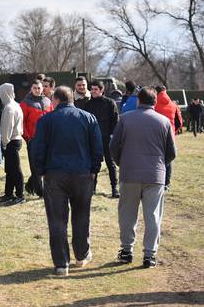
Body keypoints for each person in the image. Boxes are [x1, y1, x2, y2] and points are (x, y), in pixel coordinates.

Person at [31, 86, 103, 276]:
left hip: (55, 174)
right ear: (71, 99)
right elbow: (97, 147)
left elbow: (38, 148)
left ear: (55, 100)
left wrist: (39, 171)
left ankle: (62, 263)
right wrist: (94, 169)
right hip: (82, 173)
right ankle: (81, 254)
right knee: (81, 216)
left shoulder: (46, 120)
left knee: (57, 220)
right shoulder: (88, 118)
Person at [110, 87, 176, 268]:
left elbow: (113, 145)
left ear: (138, 100)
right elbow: (171, 152)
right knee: (153, 216)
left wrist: (121, 162)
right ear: (154, 102)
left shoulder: (125, 119)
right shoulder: (164, 122)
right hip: (155, 175)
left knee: (127, 214)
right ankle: (150, 254)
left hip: (129, 173)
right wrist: (160, 165)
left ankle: (126, 251)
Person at [83, 80, 120, 198]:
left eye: (96, 89)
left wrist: (113, 135)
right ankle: (92, 187)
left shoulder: (110, 103)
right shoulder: (88, 105)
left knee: (111, 163)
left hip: (107, 138)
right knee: (93, 164)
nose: (93, 92)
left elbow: (115, 120)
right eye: (92, 89)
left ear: (101, 90)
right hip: (93, 139)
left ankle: (114, 188)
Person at [20, 79, 52, 196]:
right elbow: (21, 122)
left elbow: (52, 118)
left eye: (39, 88)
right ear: (31, 89)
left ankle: (30, 186)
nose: (37, 90)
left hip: (47, 140)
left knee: (46, 165)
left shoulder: (48, 101)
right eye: (35, 88)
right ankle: (40, 192)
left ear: (42, 88)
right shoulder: (25, 103)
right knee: (35, 166)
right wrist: (28, 137)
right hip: (33, 140)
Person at [0, 83, 25, 205]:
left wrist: (4, 143)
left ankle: (20, 195)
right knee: (10, 169)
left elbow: (6, 128)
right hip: (15, 139)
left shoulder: (9, 108)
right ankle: (9, 193)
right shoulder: (15, 105)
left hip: (11, 141)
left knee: (15, 169)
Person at [154, 86, 182, 190]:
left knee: (156, 158)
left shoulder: (153, 104)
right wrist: (173, 132)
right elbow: (180, 122)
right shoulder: (174, 105)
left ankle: (157, 180)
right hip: (169, 135)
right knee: (169, 159)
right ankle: (166, 183)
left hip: (156, 135)